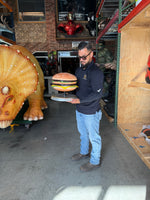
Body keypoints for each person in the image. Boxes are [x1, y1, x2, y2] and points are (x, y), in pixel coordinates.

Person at [69, 41, 104, 172]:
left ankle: (95, 161)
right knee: (83, 134)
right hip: (80, 110)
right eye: (80, 57)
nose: (82, 59)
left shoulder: (96, 72)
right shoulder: (78, 70)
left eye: (84, 56)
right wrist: (68, 93)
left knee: (94, 137)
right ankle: (84, 153)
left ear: (91, 54)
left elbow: (97, 94)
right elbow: (77, 88)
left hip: (91, 111)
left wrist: (79, 101)